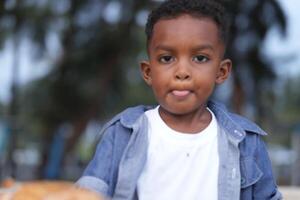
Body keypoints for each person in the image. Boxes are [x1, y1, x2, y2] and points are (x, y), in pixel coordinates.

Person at [76, 0, 282, 199]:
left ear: (221, 71)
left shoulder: (246, 142)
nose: (182, 72)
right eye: (167, 58)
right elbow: (88, 194)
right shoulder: (122, 134)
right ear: (148, 72)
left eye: (200, 58)